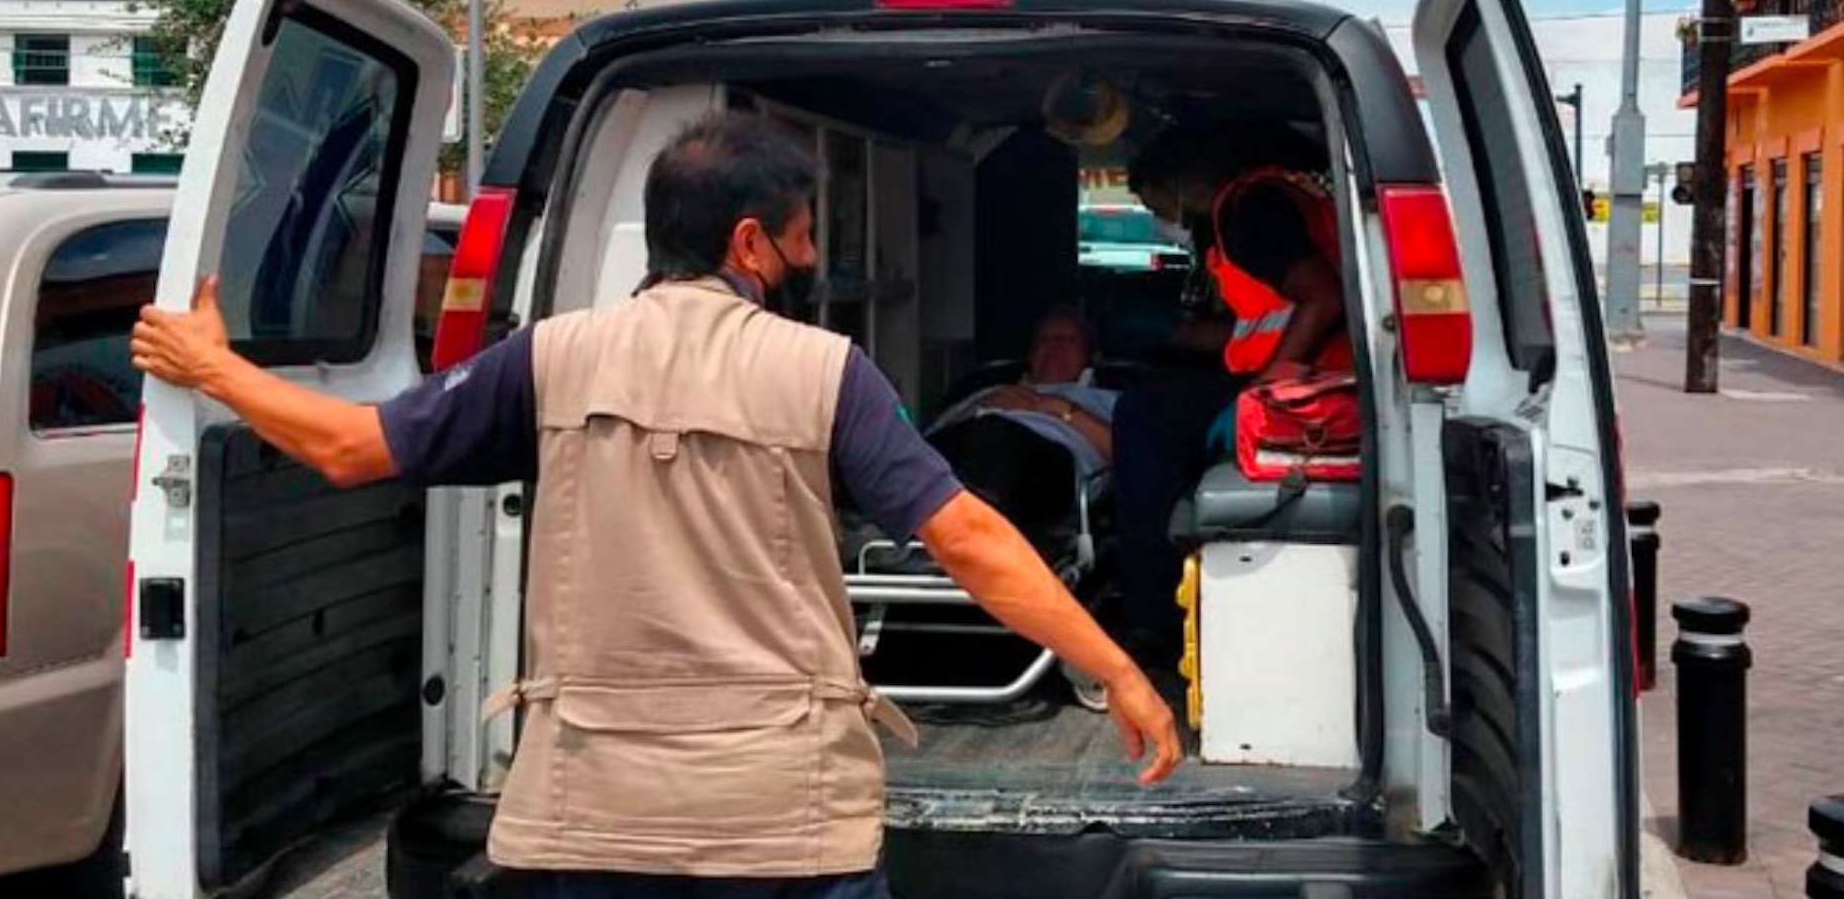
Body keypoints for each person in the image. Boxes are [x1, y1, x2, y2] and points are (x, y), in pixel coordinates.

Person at [131, 113, 1180, 899]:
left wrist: (214, 369)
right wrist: (1118, 668)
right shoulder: (828, 370)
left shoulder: (547, 357)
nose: (811, 261)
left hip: (593, 812)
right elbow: (970, 538)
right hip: (781, 822)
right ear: (749, 245)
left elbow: (348, 447)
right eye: (803, 238)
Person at [1110, 121, 1352, 667]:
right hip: (1327, 376)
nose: (1158, 216)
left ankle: (1152, 619)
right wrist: (1186, 337)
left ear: (1175, 183)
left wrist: (1267, 388)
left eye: (1151, 203)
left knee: (1142, 417)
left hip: (1314, 386)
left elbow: (1323, 297)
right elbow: (1268, 318)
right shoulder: (1272, 196)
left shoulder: (1247, 211)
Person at [923, 307, 1116, 541]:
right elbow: (927, 438)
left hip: (1049, 461)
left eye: (1068, 339)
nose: (1054, 346)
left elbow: (1126, 455)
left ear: (1092, 355)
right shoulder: (990, 392)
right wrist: (981, 404)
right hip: (971, 442)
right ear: (1031, 354)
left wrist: (1061, 409)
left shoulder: (1109, 400)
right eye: (1044, 340)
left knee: (994, 443)